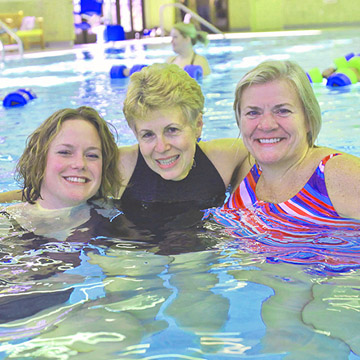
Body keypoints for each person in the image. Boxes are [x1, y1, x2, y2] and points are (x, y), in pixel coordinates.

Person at [222, 60, 360, 221]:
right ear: (239, 120)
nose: (266, 125)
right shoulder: (244, 169)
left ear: (308, 119)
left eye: (282, 111)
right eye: (253, 113)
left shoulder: (338, 174)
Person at [118, 63, 245, 230]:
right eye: (147, 135)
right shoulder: (120, 167)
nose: (161, 147)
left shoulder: (227, 159)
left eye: (172, 130)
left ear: (198, 125)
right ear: (136, 135)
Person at [1, 106, 122, 239]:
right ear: (39, 159)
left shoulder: (119, 218)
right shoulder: (5, 225)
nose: (80, 164)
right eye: (64, 152)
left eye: (92, 155)